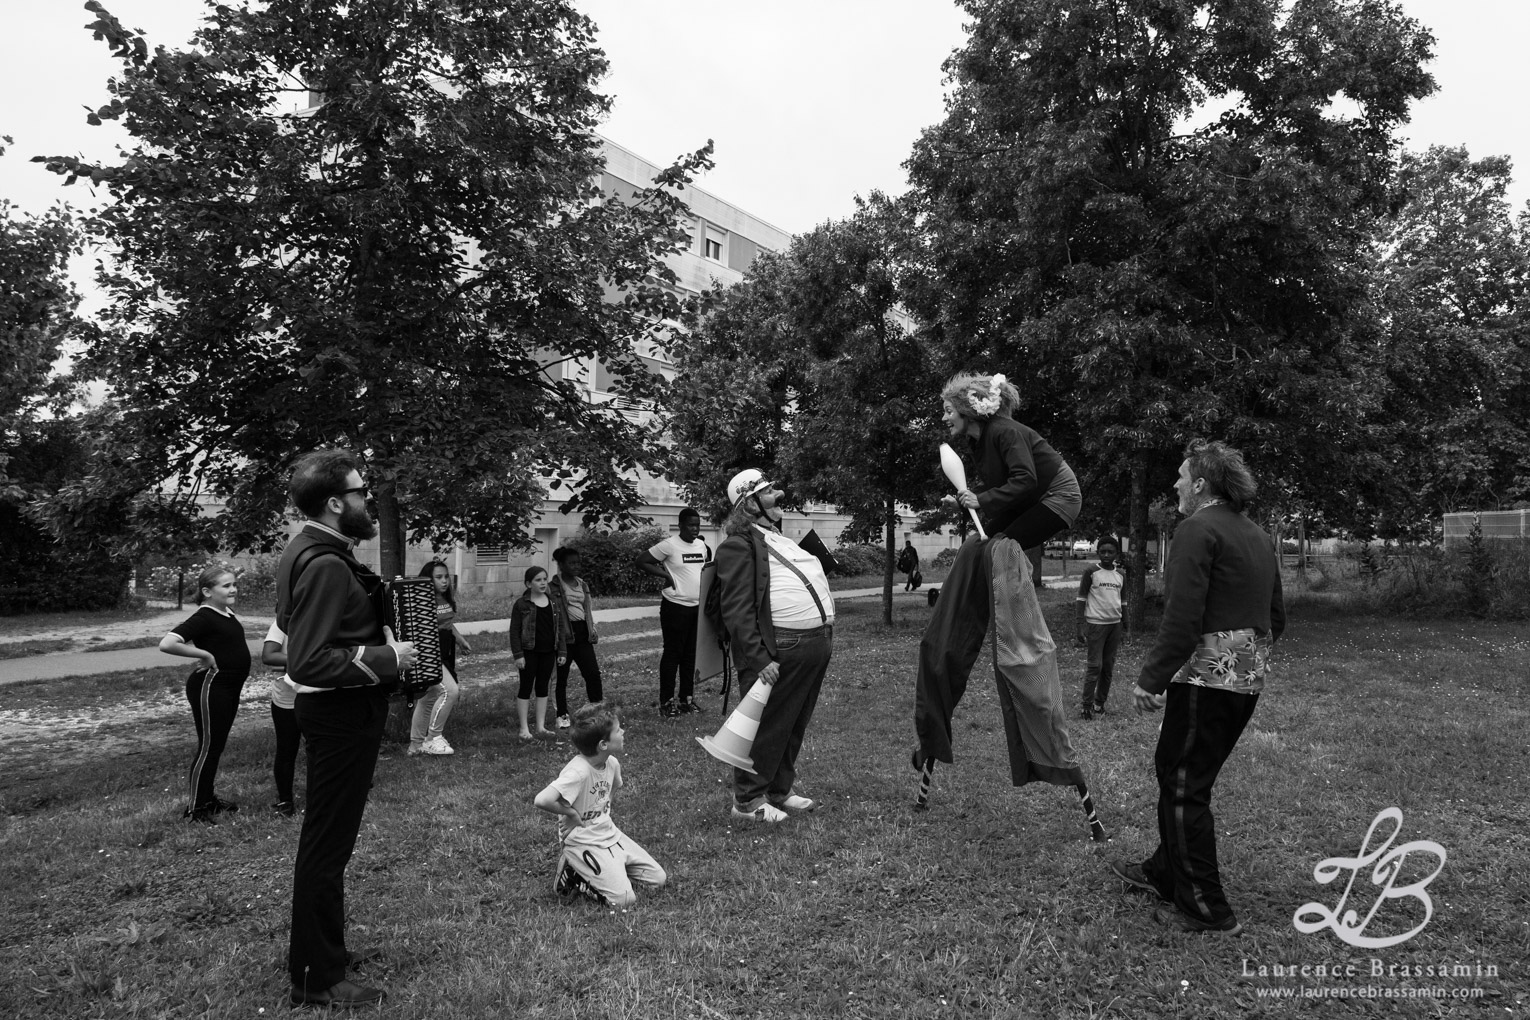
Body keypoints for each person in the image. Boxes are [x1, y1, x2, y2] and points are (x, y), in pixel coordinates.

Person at [912, 373, 1106, 842]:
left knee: (997, 545)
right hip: (1033, 499)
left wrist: (981, 500)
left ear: (971, 409)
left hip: (1058, 500)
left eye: (948, 409)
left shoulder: (1005, 431)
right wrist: (972, 505)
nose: (944, 416)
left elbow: (1026, 481)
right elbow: (998, 498)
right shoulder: (982, 443)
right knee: (986, 541)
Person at [1110, 439, 1285, 936]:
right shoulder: (1257, 534)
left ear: (1202, 484)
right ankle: (1165, 871)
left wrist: (1152, 678)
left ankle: (1207, 908)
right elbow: (1276, 616)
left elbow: (1182, 617)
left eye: (1182, 477)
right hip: (1244, 676)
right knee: (1180, 772)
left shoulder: (1196, 529)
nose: (1176, 484)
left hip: (1209, 674)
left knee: (1185, 784)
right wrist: (1245, 659)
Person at [277, 449, 416, 1008]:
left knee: (328, 842)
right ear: (335, 503)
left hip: (336, 713)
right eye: (361, 492)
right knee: (327, 846)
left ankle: (323, 951)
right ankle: (316, 975)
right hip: (340, 715)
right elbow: (304, 661)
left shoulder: (310, 548)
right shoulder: (328, 562)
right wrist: (389, 658)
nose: (368, 500)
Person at [714, 469, 831, 823]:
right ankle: (747, 801)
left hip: (813, 644)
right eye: (768, 492)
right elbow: (736, 609)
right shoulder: (737, 544)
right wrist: (759, 657)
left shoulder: (776, 537)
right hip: (778, 650)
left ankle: (779, 790)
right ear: (749, 505)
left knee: (793, 723)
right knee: (766, 726)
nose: (779, 494)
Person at [534, 703, 666, 907]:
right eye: (618, 730)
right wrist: (571, 814)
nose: (623, 732)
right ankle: (573, 871)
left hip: (608, 833)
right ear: (603, 744)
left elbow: (612, 790)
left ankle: (611, 868)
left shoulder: (611, 763)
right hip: (582, 840)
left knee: (657, 879)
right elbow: (542, 800)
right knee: (624, 900)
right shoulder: (578, 772)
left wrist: (600, 814)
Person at [158, 564, 252, 823]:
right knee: (209, 747)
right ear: (207, 591)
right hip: (212, 686)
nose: (233, 589)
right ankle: (196, 809)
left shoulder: (226, 613)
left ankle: (207, 799)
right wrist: (205, 654)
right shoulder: (205, 616)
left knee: (216, 746)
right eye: (226, 586)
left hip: (230, 687)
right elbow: (167, 643)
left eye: (234, 584)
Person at [635, 507, 710, 717]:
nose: (695, 529)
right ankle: (666, 703)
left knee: (690, 656)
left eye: (698, 525)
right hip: (675, 607)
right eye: (691, 525)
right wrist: (665, 577)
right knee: (673, 654)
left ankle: (686, 699)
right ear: (681, 525)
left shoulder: (702, 546)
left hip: (696, 608)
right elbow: (641, 561)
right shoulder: (669, 545)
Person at [407, 559, 469, 757]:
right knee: (450, 691)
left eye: (446, 577)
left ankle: (415, 746)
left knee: (429, 697)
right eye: (439, 577)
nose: (444, 581)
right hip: (428, 654)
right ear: (428, 579)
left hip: (444, 653)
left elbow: (447, 623)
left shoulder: (443, 599)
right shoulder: (421, 600)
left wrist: (459, 640)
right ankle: (433, 738)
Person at [510, 566, 567, 739]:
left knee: (543, 687)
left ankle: (540, 726)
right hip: (529, 653)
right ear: (528, 584)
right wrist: (518, 655)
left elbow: (561, 628)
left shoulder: (553, 602)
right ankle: (524, 728)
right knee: (526, 687)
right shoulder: (522, 604)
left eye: (544, 579)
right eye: (538, 580)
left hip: (549, 652)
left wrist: (562, 651)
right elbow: (514, 631)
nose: (543, 583)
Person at [550, 546, 603, 730]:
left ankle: (598, 711)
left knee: (593, 674)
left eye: (578, 563)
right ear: (562, 565)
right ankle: (562, 715)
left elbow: (586, 608)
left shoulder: (582, 584)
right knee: (561, 677)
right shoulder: (553, 587)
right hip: (564, 635)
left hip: (582, 633)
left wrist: (591, 627)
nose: (576, 566)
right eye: (571, 563)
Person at [1075, 536, 1127, 719]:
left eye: (1110, 552)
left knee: (1108, 667)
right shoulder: (1091, 571)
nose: (1106, 555)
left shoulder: (1120, 574)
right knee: (1094, 666)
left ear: (1116, 554)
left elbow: (1124, 601)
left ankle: (1099, 704)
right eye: (1103, 551)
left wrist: (1126, 626)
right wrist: (1080, 625)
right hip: (1096, 625)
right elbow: (1081, 598)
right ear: (1098, 553)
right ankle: (1086, 707)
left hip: (1115, 625)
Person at [260, 621, 302, 817]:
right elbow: (268, 655)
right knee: (286, 748)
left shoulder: (323, 615)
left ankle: (324, 795)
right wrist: (306, 660)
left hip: (319, 693)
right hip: (287, 696)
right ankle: (285, 800)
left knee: (322, 748)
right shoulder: (283, 622)